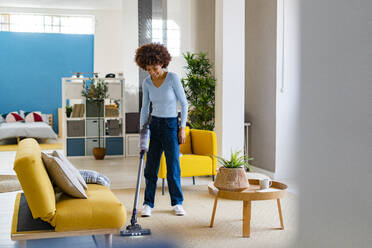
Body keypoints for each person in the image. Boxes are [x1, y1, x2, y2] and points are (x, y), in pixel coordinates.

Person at [135, 43, 189, 217]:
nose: (152, 72)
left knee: (173, 167)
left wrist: (182, 128)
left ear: (162, 63)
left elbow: (184, 103)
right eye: (148, 69)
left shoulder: (172, 78)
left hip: (171, 125)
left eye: (155, 68)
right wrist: (143, 128)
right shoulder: (147, 82)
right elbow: (145, 108)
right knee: (151, 168)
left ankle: (177, 203)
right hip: (154, 125)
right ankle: (147, 204)